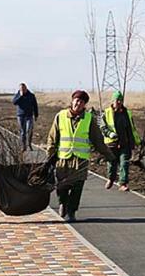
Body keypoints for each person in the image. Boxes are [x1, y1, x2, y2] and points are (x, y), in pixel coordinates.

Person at [44, 90, 116, 223]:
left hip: (80, 160)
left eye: (82, 102)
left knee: (77, 187)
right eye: (77, 100)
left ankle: (72, 211)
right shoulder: (61, 116)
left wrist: (109, 156)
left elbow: (98, 140)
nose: (78, 103)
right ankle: (63, 203)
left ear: (85, 105)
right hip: (63, 158)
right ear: (72, 101)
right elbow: (52, 138)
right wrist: (50, 156)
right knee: (62, 186)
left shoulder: (89, 119)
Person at [102, 90, 141, 192]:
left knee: (124, 163)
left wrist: (135, 141)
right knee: (112, 163)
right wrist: (110, 133)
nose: (119, 102)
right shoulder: (106, 113)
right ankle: (111, 178)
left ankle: (123, 183)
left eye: (120, 100)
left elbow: (131, 128)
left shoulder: (127, 113)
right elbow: (103, 127)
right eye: (117, 100)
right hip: (112, 143)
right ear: (113, 101)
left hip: (125, 143)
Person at [13, 83, 39, 151]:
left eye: (24, 88)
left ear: (26, 88)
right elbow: (14, 102)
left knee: (29, 130)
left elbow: (35, 105)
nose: (23, 90)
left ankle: (29, 144)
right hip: (21, 116)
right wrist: (20, 96)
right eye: (21, 89)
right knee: (23, 132)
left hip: (29, 116)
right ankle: (23, 146)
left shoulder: (31, 95)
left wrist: (36, 115)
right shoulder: (18, 95)